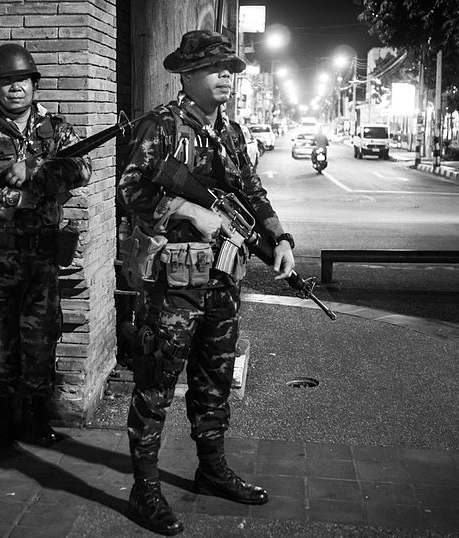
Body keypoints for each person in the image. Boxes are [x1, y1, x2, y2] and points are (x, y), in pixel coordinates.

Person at [117, 30, 296, 535]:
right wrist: (188, 208)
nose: (226, 77)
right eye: (216, 69)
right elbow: (129, 188)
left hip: (223, 273)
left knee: (213, 375)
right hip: (179, 270)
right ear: (187, 75)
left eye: (231, 70)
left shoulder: (233, 134)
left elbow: (252, 190)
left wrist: (279, 236)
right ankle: (145, 487)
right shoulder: (161, 127)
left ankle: (210, 468)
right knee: (156, 380)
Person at [0, 43, 92, 449]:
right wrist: (12, 199)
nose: (15, 88)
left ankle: (37, 417)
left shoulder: (57, 130)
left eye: (22, 80)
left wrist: (36, 170)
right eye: (6, 81)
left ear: (34, 84)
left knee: (42, 339)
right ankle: (1, 420)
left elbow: (82, 167)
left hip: (43, 256)